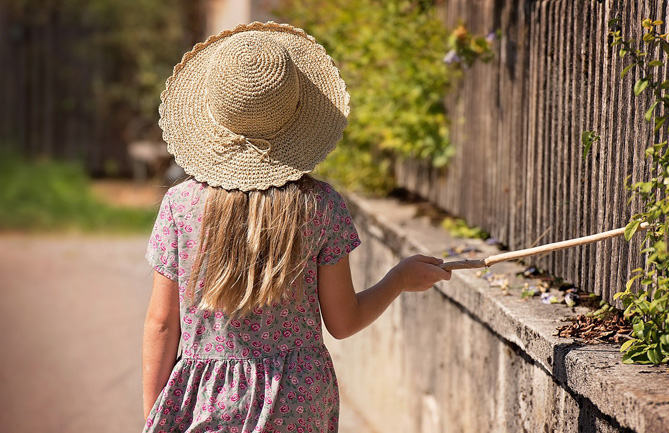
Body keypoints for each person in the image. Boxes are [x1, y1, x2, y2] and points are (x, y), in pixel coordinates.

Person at [142, 22, 452, 433]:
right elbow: (342, 322)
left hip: (205, 396)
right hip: (298, 401)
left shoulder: (180, 205)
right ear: (297, 114)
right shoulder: (320, 205)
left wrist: (154, 413)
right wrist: (398, 279)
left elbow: (163, 324)